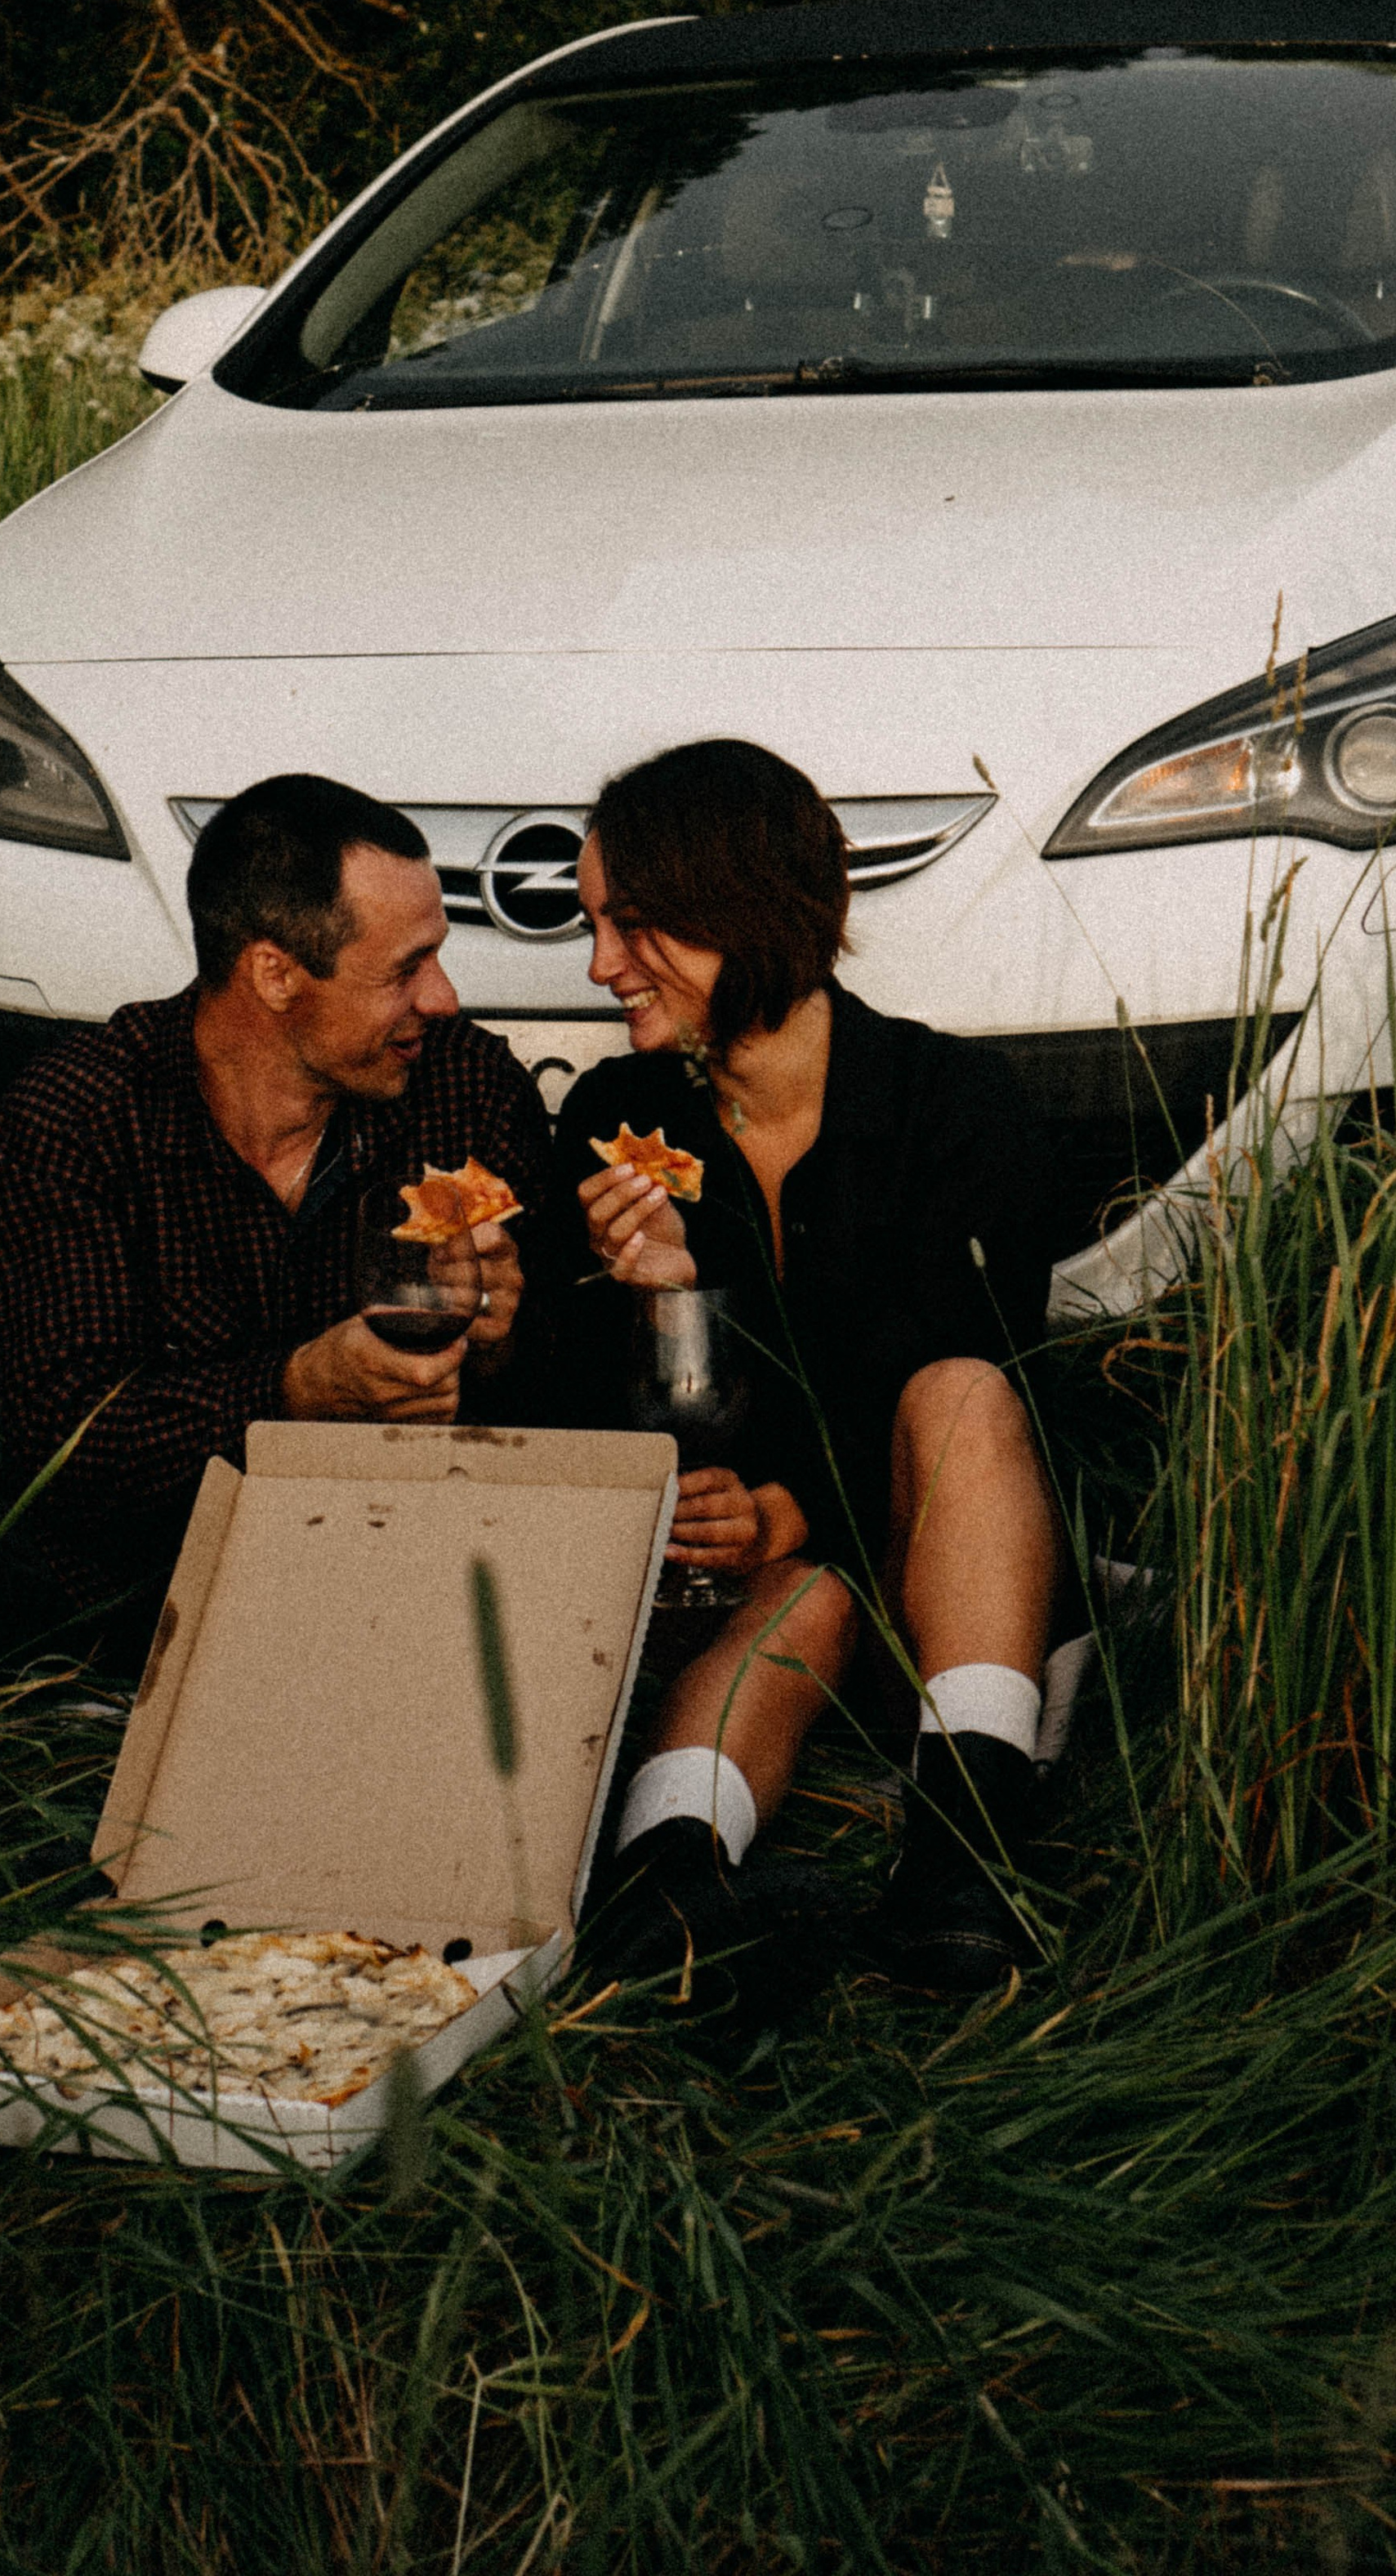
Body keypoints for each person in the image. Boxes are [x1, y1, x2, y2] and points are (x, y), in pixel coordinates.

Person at [0, 774, 549, 1870]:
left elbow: (542, 1401)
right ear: (274, 973)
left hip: (368, 1564)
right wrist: (295, 1389)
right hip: (111, 1564)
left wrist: (504, 1335)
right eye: (407, 969)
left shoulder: (463, 1089)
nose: (445, 999)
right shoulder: (82, 1114)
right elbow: (64, 1436)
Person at [554, 738, 1069, 1997]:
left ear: (745, 911)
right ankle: (665, 1886)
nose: (598, 964)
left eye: (631, 925)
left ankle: (966, 1865)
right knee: (801, 1593)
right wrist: (663, 1308)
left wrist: (793, 1497)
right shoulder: (619, 1123)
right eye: (595, 926)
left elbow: (978, 1380)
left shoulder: (954, 1103)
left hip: (948, 1574)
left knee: (959, 1391)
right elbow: (588, 1412)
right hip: (767, 1603)